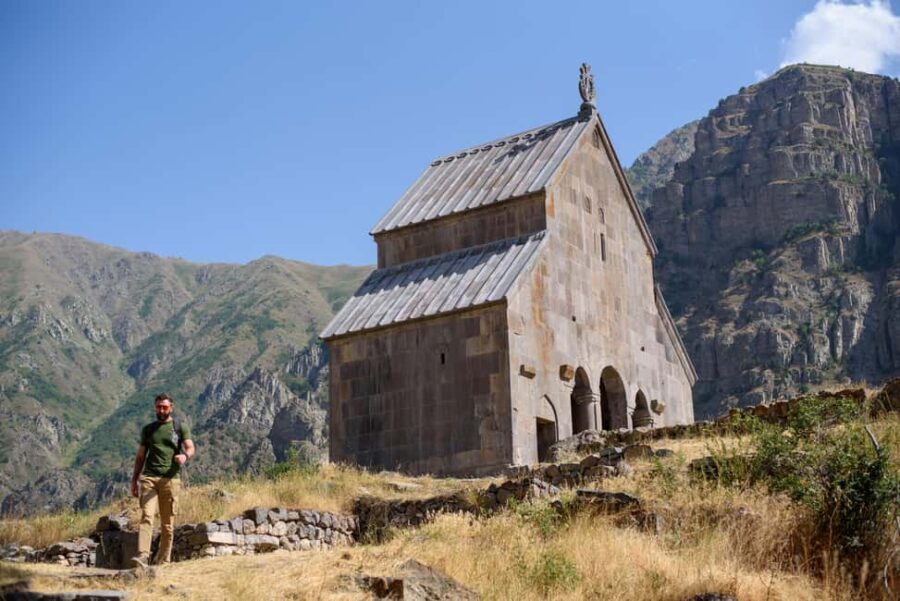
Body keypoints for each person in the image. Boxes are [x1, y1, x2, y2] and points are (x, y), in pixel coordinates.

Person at [130, 393, 194, 567]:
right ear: (155, 407)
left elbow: (190, 447)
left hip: (170, 479)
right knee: (147, 516)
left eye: (165, 407)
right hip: (149, 478)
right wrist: (134, 480)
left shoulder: (179, 427)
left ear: (171, 408)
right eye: (159, 406)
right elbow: (140, 456)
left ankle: (164, 560)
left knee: (167, 523)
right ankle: (143, 556)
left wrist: (185, 456)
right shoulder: (148, 430)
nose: (161, 410)